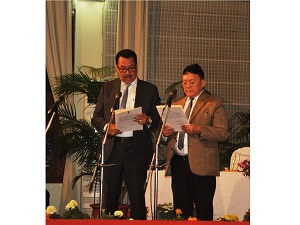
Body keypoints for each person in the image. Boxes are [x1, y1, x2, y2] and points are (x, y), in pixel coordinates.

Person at [92, 49, 161, 220]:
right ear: (117, 68)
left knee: (137, 196)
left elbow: (158, 118)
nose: (127, 73)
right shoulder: (108, 88)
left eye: (131, 68)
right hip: (113, 146)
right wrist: (108, 126)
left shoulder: (149, 90)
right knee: (110, 196)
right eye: (123, 69)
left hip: (136, 148)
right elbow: (96, 117)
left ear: (137, 67)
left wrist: (148, 119)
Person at [162, 63, 229, 220]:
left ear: (203, 83)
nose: (187, 85)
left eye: (192, 82)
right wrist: (166, 134)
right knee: (180, 211)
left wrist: (199, 129)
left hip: (202, 166)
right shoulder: (176, 104)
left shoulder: (214, 103)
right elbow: (169, 135)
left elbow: (223, 132)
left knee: (203, 211)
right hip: (178, 163)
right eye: (185, 82)